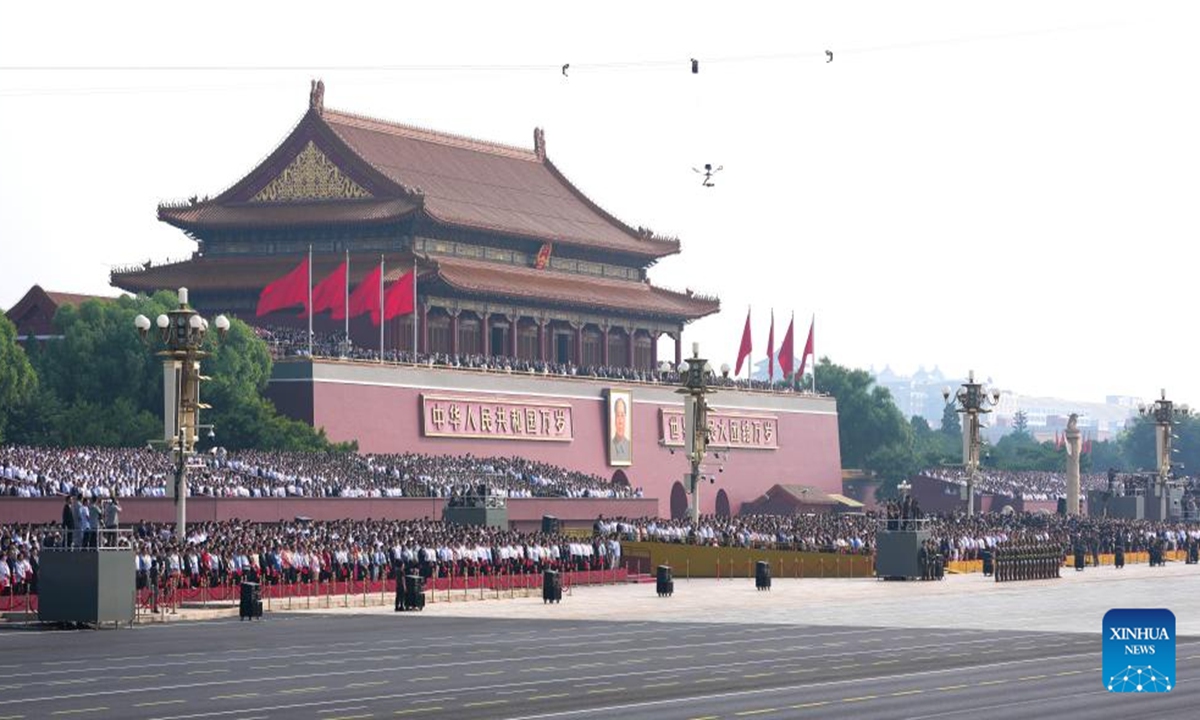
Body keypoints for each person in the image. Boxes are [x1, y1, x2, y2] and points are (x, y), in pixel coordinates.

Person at [610, 396, 631, 463]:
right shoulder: (611, 444)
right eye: (618, 415)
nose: (620, 421)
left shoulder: (628, 445)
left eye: (622, 415)